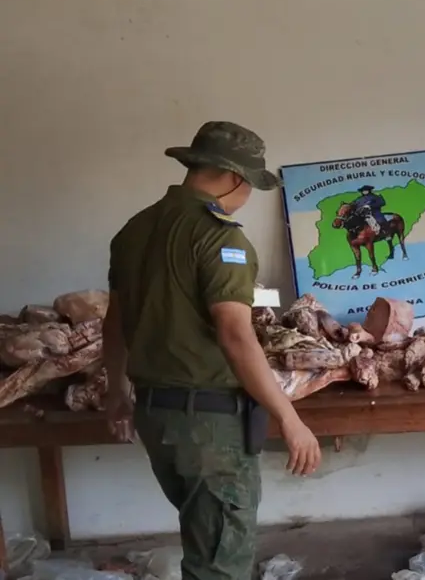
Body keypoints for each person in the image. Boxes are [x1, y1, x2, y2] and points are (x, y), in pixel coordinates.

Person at [103, 121, 322, 580]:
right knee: (220, 564)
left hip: (157, 416)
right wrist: (289, 418)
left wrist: (117, 393)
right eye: (251, 184)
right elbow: (235, 335)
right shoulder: (220, 237)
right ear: (236, 177)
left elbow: (115, 323)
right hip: (209, 428)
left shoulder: (134, 230)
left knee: (204, 543)